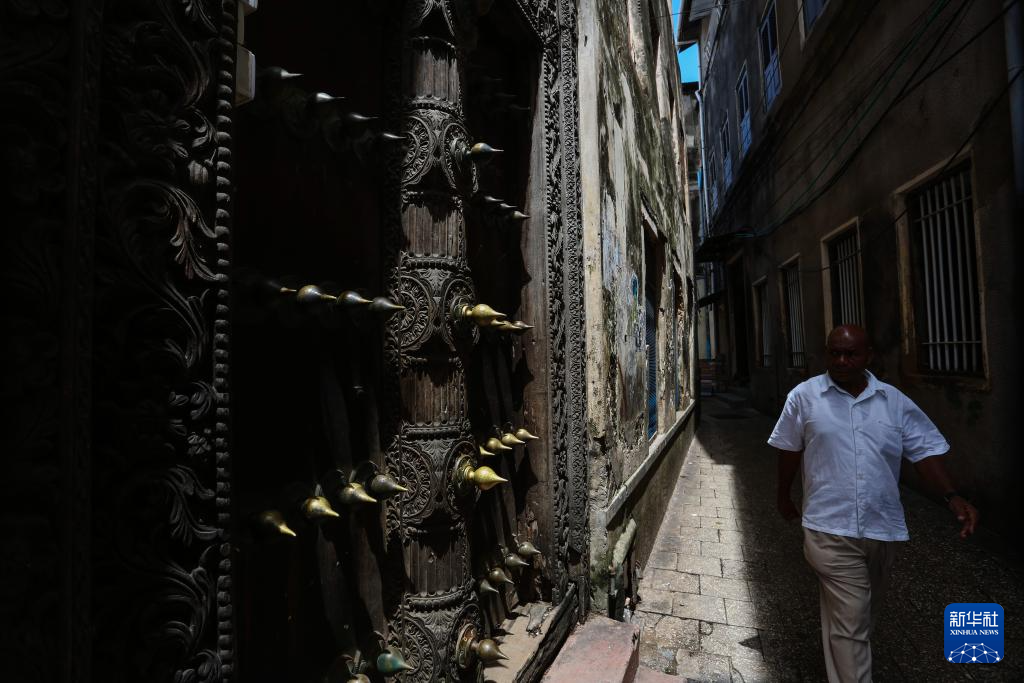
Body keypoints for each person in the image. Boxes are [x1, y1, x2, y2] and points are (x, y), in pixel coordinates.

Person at [768, 325, 979, 683]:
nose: (841, 360)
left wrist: (951, 496)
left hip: (882, 527)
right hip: (828, 528)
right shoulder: (804, 397)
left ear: (869, 356)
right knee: (851, 621)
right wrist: (783, 495)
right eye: (834, 353)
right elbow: (789, 450)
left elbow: (924, 452)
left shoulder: (893, 402)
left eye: (850, 354)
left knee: (860, 617)